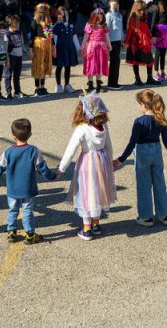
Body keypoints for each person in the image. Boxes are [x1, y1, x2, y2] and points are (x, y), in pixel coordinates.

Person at [0, 118, 56, 244]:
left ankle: (11, 232)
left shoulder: (8, 152)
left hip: (13, 189)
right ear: (30, 135)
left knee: (13, 210)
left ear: (13, 136)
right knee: (27, 211)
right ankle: (30, 234)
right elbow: (43, 169)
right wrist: (53, 176)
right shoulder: (33, 150)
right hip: (28, 189)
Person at [56, 93, 117, 241]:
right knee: (99, 192)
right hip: (101, 159)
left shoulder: (82, 128)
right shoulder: (103, 126)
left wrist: (61, 169)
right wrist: (110, 160)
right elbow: (109, 145)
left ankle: (87, 228)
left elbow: (70, 150)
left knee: (86, 193)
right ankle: (96, 224)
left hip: (87, 162)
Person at [114, 89, 167, 227]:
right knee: (160, 183)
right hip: (156, 151)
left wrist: (121, 159)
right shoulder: (160, 118)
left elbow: (132, 142)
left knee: (144, 185)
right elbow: (166, 139)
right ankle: (165, 215)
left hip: (142, 152)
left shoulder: (139, 122)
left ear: (143, 104)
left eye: (139, 104)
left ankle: (146, 217)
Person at [125, 0, 158, 86]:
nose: (143, 12)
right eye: (140, 10)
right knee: (136, 60)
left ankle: (149, 78)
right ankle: (137, 79)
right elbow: (130, 31)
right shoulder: (133, 17)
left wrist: (151, 37)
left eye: (144, 9)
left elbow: (146, 29)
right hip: (136, 43)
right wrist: (126, 42)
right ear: (136, 9)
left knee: (149, 60)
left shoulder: (145, 17)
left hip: (145, 42)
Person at [81, 9, 110, 94]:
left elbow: (107, 37)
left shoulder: (104, 26)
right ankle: (90, 85)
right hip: (91, 48)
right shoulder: (89, 26)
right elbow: (85, 38)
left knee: (99, 65)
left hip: (101, 48)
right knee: (91, 65)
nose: (100, 20)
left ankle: (99, 85)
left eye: (101, 18)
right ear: (94, 17)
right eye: (98, 18)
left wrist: (109, 46)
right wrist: (82, 47)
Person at [149, 0, 167, 81]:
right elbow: (153, 22)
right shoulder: (158, 8)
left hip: (166, 33)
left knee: (163, 54)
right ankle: (156, 73)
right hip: (159, 32)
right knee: (158, 53)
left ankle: (162, 72)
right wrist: (153, 35)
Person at [3, 15, 28, 98]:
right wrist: (7, 59)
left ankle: (17, 91)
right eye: (16, 23)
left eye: (18, 23)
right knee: (8, 75)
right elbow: (5, 48)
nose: (18, 25)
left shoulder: (19, 32)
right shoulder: (7, 34)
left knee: (17, 75)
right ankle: (8, 92)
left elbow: (22, 44)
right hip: (11, 57)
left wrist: (26, 51)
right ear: (11, 24)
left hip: (19, 56)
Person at [105, 0, 124, 90]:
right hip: (111, 41)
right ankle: (111, 83)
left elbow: (121, 29)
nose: (116, 6)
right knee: (114, 61)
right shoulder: (108, 15)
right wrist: (107, 43)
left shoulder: (119, 15)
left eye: (117, 4)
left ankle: (115, 81)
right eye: (113, 5)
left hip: (118, 41)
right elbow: (106, 29)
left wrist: (122, 40)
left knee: (117, 61)